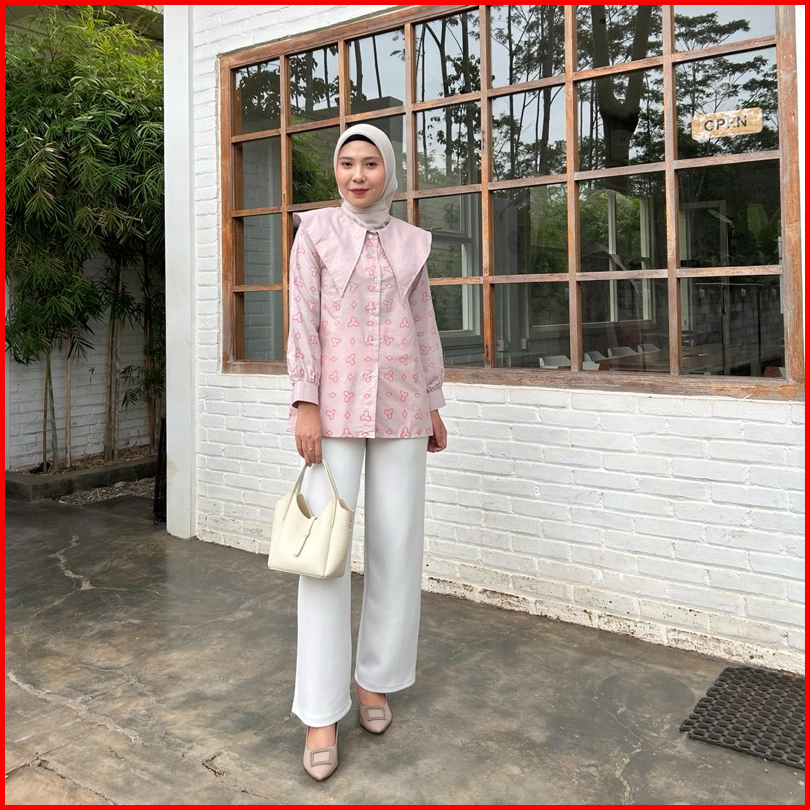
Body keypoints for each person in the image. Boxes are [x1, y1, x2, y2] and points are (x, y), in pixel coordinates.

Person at [286, 123, 448, 781]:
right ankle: (319, 712)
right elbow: (302, 318)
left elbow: (424, 324)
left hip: (403, 408)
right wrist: (305, 400)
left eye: (370, 163)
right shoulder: (314, 234)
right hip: (333, 411)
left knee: (396, 548)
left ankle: (374, 681)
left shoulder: (412, 242)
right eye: (347, 163)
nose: (357, 174)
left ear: (390, 171)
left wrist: (432, 402)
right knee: (324, 558)